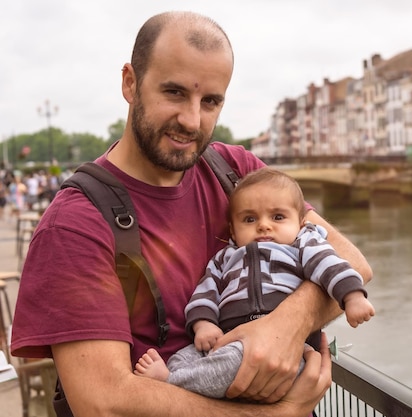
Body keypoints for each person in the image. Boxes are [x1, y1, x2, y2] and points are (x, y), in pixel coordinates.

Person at [10, 11, 372, 417]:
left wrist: (284, 325)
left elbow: (353, 262)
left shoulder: (237, 174)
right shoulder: (75, 224)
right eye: (175, 93)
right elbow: (103, 403)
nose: (192, 120)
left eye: (211, 101)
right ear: (130, 83)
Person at [134, 167, 375, 398]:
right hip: (229, 337)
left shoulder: (303, 245)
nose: (263, 225)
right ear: (233, 230)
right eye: (249, 219)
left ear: (301, 223)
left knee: (231, 364)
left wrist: (352, 296)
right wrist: (203, 323)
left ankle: (171, 382)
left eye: (278, 217)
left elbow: (330, 265)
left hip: (287, 350)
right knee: (182, 357)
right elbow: (205, 291)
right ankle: (180, 375)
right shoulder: (224, 258)